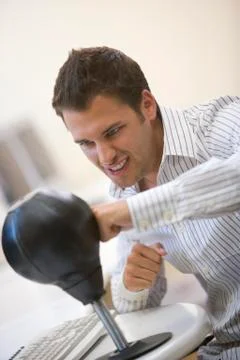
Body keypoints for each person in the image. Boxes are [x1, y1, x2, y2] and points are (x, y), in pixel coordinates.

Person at [52, 46, 240, 359]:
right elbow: (137, 309)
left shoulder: (220, 124)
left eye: (112, 131)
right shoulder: (124, 191)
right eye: (87, 144)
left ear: (147, 105)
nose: (106, 157)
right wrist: (131, 285)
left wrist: (134, 211)